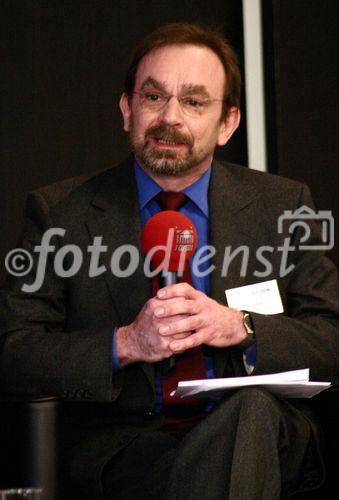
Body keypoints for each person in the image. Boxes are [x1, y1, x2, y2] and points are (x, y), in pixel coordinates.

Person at [1, 22, 338, 500]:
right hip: (127, 450)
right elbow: (14, 352)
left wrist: (242, 326)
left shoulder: (283, 208)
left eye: (195, 102)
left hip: (264, 435)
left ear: (228, 123)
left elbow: (331, 337)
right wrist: (126, 343)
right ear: (127, 110)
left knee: (251, 411)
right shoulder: (60, 213)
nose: (170, 118)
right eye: (154, 97)